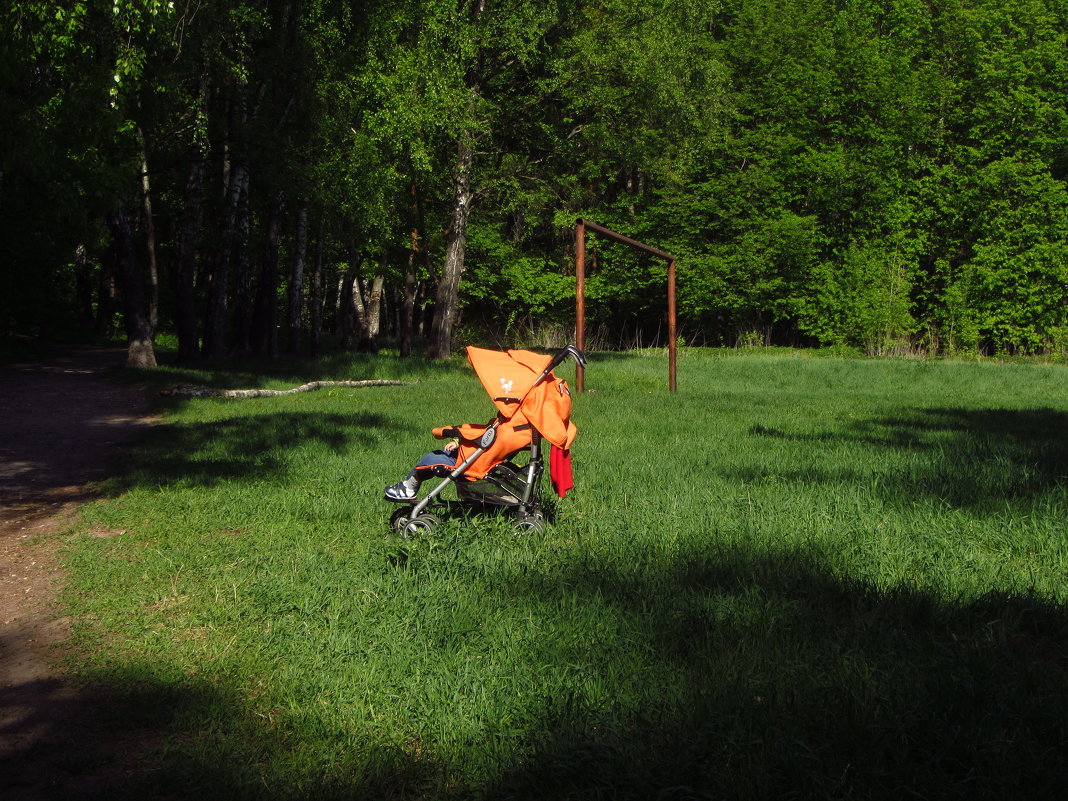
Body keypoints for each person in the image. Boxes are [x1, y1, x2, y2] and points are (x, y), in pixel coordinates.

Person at [383, 439, 458, 501]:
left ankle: (409, 489)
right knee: (434, 456)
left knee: (430, 461)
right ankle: (408, 486)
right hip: (463, 455)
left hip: (463, 462)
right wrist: (457, 441)